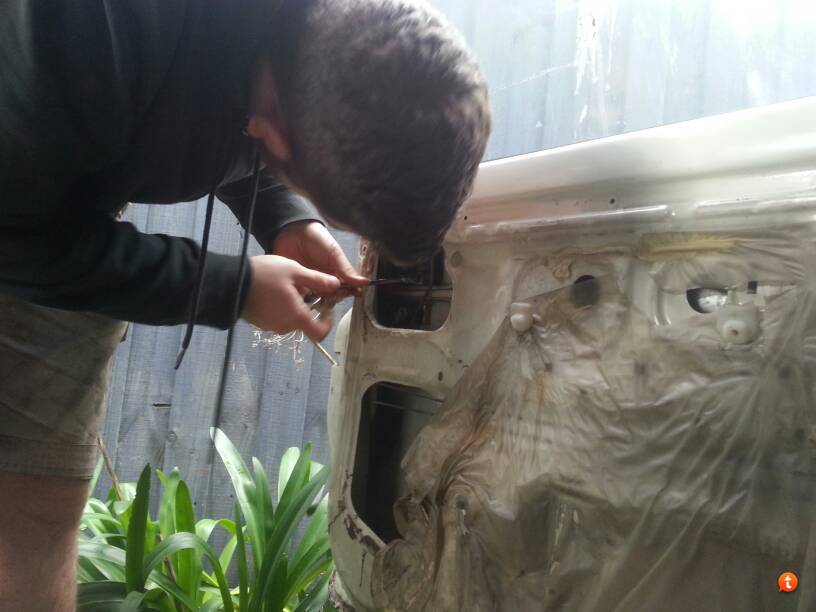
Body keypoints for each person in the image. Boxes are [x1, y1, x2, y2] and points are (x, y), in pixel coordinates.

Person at [0, 0, 490, 608]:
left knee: (39, 505)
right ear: (271, 132)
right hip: (22, 199)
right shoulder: (83, 32)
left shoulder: (309, 46)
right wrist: (228, 289)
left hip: (60, 189)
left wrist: (286, 216)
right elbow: (14, 235)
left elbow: (218, 101)